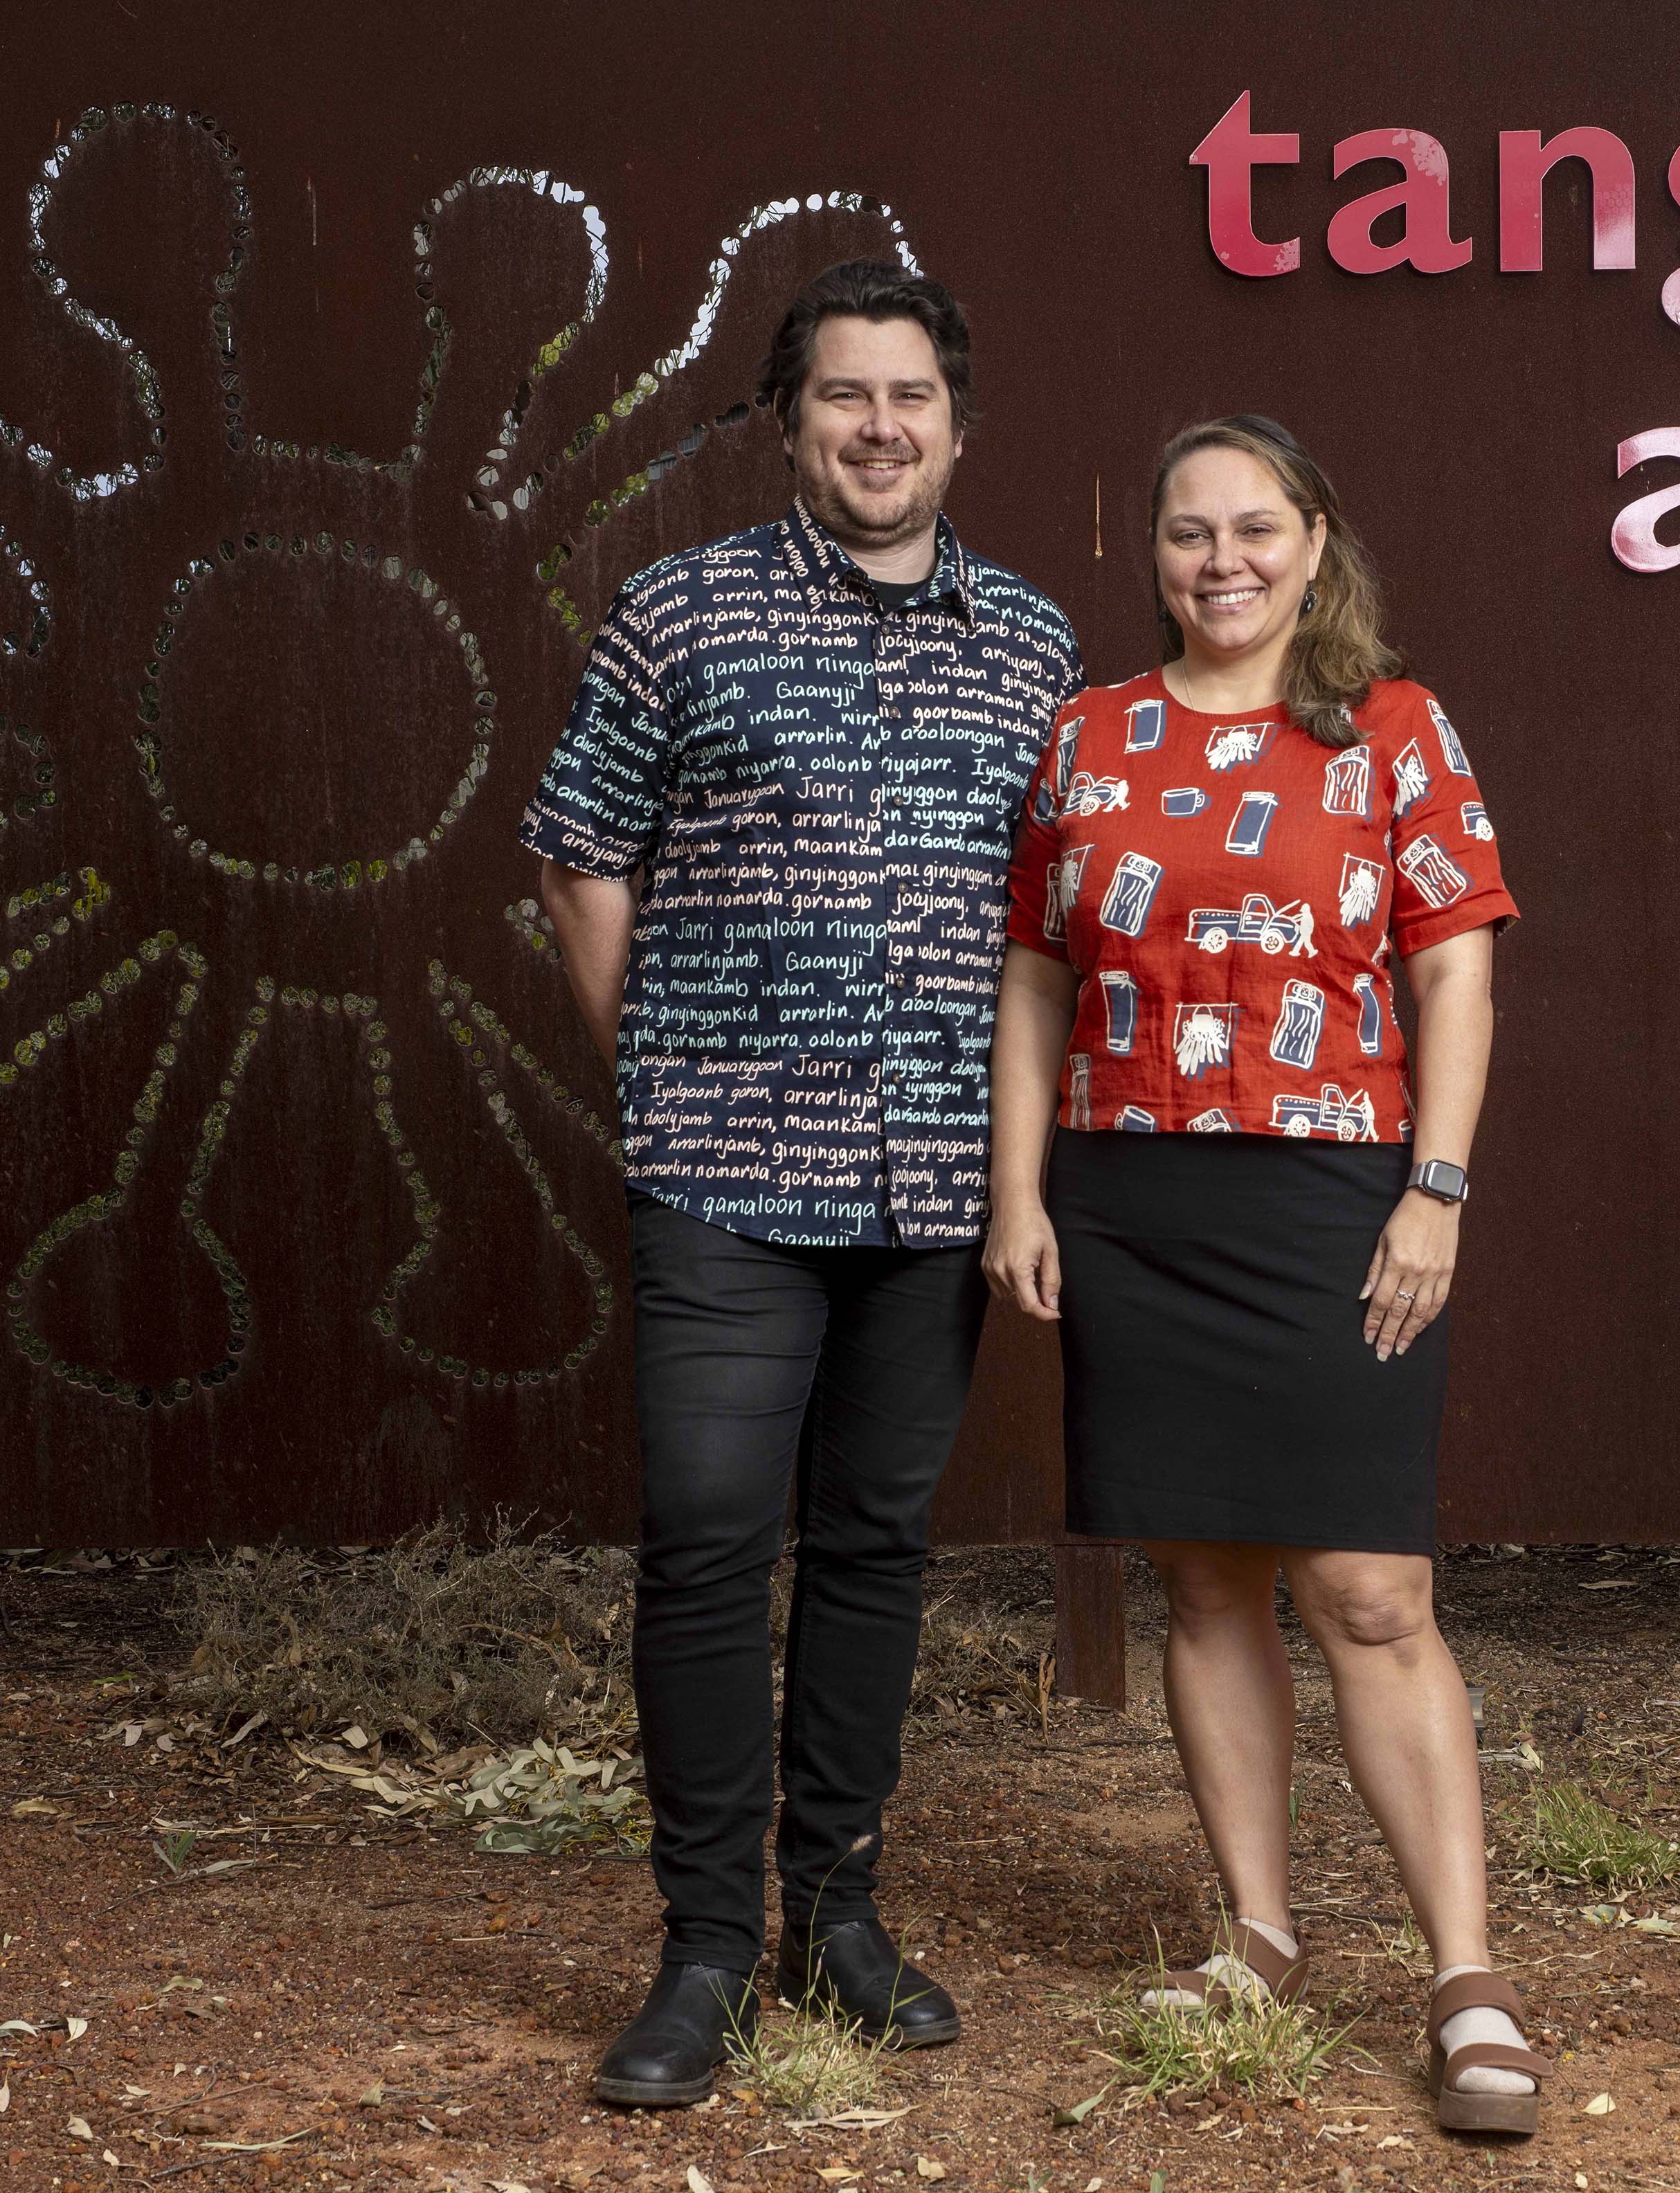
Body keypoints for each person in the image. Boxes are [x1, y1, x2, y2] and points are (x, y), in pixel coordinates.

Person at [523, 260, 1080, 2108]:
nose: (878, 429)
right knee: (702, 1537)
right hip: (721, 1177)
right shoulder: (680, 612)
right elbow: (579, 849)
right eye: (843, 397)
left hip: (929, 1187)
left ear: (956, 426)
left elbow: (1042, 933)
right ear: (788, 424)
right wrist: (660, 1061)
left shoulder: (1030, 644)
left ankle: (831, 1916)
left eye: (909, 398)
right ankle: (699, 1949)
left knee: (869, 1550)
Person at [983, 415, 1549, 2136]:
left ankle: (1463, 1978)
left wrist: (1433, 1192)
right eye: (1184, 535)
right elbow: (1033, 978)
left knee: (1368, 1590)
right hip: (1132, 1194)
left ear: (1314, 539)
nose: (1218, 563)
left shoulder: (1391, 728)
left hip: (1327, 1192)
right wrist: (1020, 1194)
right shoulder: (1086, 734)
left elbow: (1456, 974)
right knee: (1207, 1581)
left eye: (1252, 530)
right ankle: (1260, 1933)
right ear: (1148, 553)